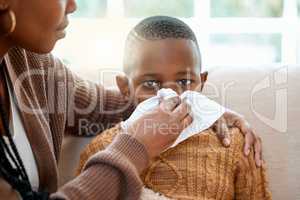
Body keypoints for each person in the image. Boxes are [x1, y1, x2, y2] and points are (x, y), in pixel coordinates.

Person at [0, 1, 262, 199]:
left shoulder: (32, 68)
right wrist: (134, 147)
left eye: (186, 81)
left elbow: (108, 104)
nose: (73, 5)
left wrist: (203, 110)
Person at [77, 16, 271, 200]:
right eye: (151, 84)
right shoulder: (102, 150)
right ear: (125, 88)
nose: (171, 96)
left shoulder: (235, 144)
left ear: (202, 82)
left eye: (184, 81)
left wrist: (211, 112)